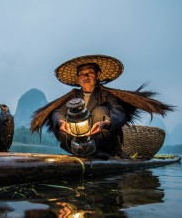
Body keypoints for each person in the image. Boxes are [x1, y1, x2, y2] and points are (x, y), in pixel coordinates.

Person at [30, 54, 174, 158]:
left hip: (101, 140)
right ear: (77, 79)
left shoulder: (106, 94)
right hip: (75, 139)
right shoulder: (73, 96)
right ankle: (81, 149)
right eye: (82, 74)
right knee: (63, 116)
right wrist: (61, 122)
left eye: (90, 73)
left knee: (100, 111)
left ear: (97, 75)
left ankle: (95, 150)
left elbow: (119, 113)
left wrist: (106, 123)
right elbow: (57, 112)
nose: (86, 76)